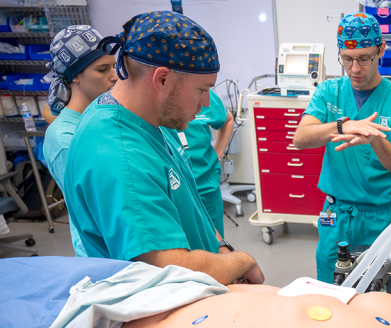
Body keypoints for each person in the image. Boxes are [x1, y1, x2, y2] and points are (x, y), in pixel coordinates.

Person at [63, 12, 263, 286]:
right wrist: (241, 260)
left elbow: (189, 205)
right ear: (162, 79)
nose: (206, 103)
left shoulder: (149, 119)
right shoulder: (119, 155)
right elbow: (170, 267)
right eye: (202, 90)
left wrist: (221, 249)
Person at [293, 12, 391, 283]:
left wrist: (375, 139)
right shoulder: (329, 92)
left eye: (364, 59)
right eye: (347, 59)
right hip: (336, 215)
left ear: (381, 50)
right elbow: (301, 138)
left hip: (379, 219)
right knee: (330, 292)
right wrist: (342, 126)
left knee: (375, 294)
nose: (355, 69)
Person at [43, 25, 118, 257]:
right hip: (104, 252)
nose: (114, 76)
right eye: (102, 69)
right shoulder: (64, 138)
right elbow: (97, 207)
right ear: (75, 75)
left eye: (114, 67)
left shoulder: (106, 116)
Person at [163, 88, 234, 237]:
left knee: (215, 243)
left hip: (205, 182)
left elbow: (227, 119)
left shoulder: (203, 93)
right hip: (171, 189)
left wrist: (217, 154)